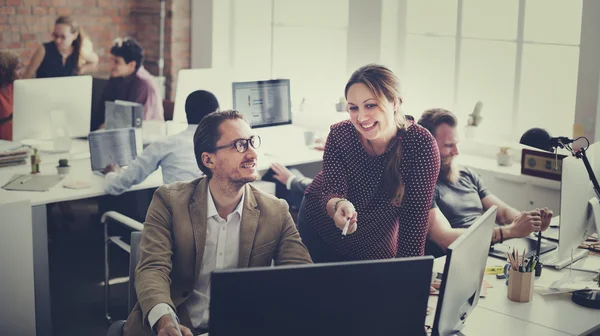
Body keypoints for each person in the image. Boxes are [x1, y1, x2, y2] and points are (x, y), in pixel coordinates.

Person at [123, 110, 312, 336]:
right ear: (208, 159)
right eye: (240, 145)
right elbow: (152, 268)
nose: (252, 153)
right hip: (173, 323)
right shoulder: (169, 201)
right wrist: (165, 321)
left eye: (252, 142)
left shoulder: (275, 210)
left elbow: (301, 275)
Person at [298, 64, 440, 263]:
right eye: (353, 108)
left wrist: (412, 274)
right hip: (320, 229)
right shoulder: (341, 134)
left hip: (375, 244)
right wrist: (339, 204)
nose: (361, 117)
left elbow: (414, 220)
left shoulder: (420, 144)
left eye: (370, 105)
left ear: (394, 103)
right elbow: (331, 190)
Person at [417, 108, 553, 255]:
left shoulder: (466, 174)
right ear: (427, 147)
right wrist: (509, 231)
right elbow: (445, 239)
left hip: (486, 250)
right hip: (460, 257)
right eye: (448, 146)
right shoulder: (422, 186)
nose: (456, 152)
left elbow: (503, 213)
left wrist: (531, 222)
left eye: (456, 144)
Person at [102, 90, 220, 195]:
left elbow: (116, 186)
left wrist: (111, 174)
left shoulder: (166, 144)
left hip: (177, 218)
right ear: (215, 115)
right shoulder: (224, 147)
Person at [91, 37, 164, 130]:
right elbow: (102, 111)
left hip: (145, 136)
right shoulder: (118, 77)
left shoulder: (142, 83)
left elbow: (128, 121)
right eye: (112, 60)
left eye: (117, 62)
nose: (111, 65)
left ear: (131, 65)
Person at [24, 15, 98, 79]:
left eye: (63, 37)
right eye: (55, 35)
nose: (58, 41)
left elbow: (94, 61)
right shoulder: (43, 50)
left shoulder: (79, 51)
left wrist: (80, 70)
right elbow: (27, 76)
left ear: (74, 35)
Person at [0, 50, 24, 141]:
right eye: (18, 69)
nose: (21, 73)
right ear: (3, 71)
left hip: (17, 142)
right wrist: (9, 119)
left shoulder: (15, 87)